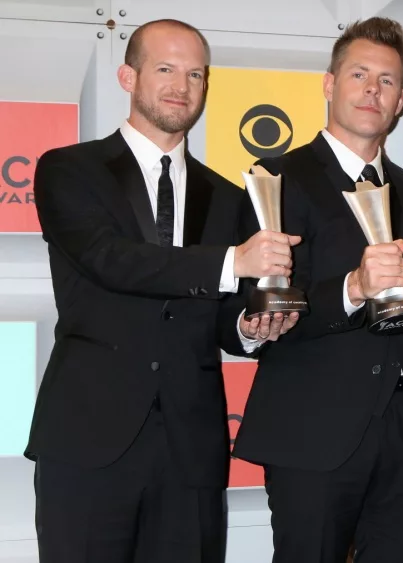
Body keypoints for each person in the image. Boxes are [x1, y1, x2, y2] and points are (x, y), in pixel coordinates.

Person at [26, 18, 298, 563]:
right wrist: (230, 261)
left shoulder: (225, 195)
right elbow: (111, 261)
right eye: (166, 69)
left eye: (195, 74)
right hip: (88, 440)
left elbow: (220, 312)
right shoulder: (69, 170)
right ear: (128, 76)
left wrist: (247, 328)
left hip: (189, 448)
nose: (181, 86)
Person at [221, 17, 403, 563]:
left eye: (386, 81)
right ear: (330, 84)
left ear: (402, 100)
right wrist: (353, 289)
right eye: (359, 74)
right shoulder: (271, 180)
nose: (372, 90)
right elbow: (252, 311)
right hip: (312, 430)